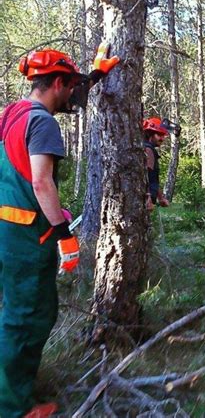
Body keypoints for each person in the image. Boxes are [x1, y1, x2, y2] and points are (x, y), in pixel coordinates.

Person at [0, 44, 119, 418]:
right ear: (55, 83)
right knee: (27, 317)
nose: (73, 95)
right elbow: (41, 183)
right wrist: (64, 233)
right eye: (69, 87)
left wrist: (94, 75)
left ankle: (12, 388)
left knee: (17, 314)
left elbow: (19, 174)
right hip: (27, 238)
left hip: (7, 231)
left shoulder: (12, 114)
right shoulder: (43, 123)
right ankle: (12, 408)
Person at [143, 117, 171, 211]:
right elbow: (146, 176)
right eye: (159, 135)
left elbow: (153, 177)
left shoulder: (150, 149)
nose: (162, 138)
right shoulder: (148, 150)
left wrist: (160, 197)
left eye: (163, 135)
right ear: (150, 133)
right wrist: (148, 198)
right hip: (144, 201)